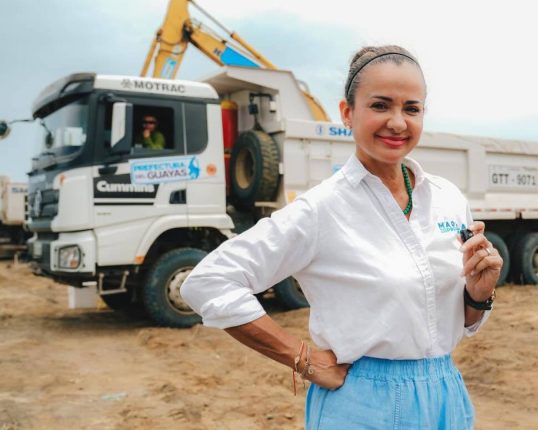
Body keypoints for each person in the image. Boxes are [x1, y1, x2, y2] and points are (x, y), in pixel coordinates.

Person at [180, 45, 503, 429]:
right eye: (381, 105)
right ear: (347, 113)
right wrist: (302, 359)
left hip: (445, 395)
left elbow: (455, 320)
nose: (398, 123)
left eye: (411, 108)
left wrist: (479, 293)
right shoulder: (322, 209)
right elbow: (208, 282)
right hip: (364, 403)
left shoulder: (448, 198)